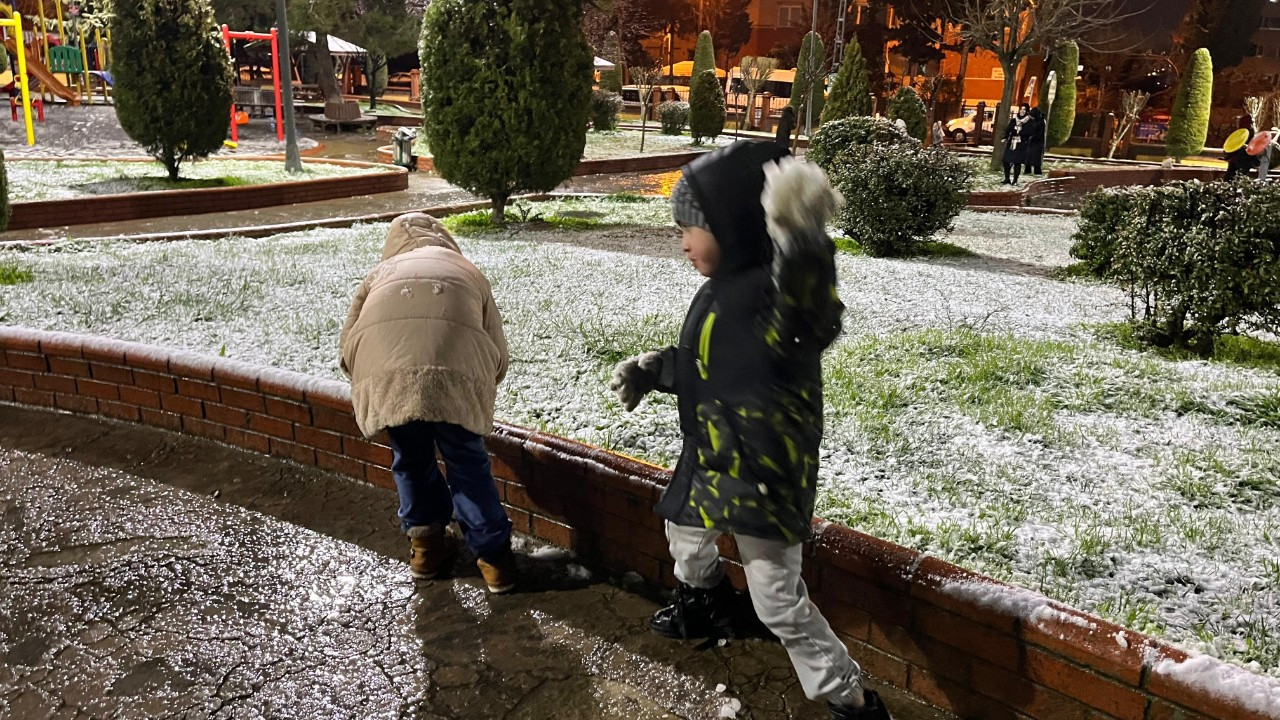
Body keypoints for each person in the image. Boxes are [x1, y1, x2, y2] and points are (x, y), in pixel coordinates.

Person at [608, 142, 893, 720]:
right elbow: (706, 360)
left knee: (778, 603)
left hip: (763, 473)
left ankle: (851, 698)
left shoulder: (777, 292)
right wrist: (653, 370)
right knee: (686, 542)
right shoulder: (718, 288)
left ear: (734, 225)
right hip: (714, 460)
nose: (684, 242)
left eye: (693, 227)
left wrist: (804, 237)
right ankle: (706, 605)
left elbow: (813, 313)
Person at [339, 213, 517, 593]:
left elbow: (347, 344)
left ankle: (425, 549)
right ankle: (494, 562)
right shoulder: (467, 270)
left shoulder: (378, 275)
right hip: (455, 373)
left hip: (389, 375)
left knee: (411, 457)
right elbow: (497, 350)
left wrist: (373, 380)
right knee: (466, 459)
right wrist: (481, 384)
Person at [1002, 103, 1031, 184]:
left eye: (1024, 109)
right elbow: (1008, 130)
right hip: (1011, 144)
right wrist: (1005, 137)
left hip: (1021, 144)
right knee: (1005, 161)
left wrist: (1020, 131)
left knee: (1017, 163)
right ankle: (1007, 178)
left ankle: (1015, 180)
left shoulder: (1029, 121)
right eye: (1021, 109)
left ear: (1027, 111)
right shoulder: (1014, 120)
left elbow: (1029, 132)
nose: (1022, 111)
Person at [1023, 107, 1046, 176]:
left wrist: (1032, 136)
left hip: (1038, 142)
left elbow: (1039, 133)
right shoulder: (1032, 121)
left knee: (1036, 158)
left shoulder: (1041, 122)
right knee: (1028, 157)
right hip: (1031, 141)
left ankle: (1037, 171)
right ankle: (1028, 170)